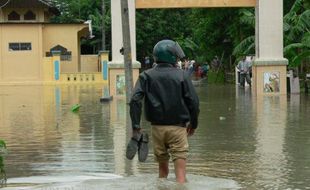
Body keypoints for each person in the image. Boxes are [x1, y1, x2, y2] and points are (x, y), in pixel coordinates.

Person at [129, 39, 200, 184]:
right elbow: (193, 102)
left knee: (162, 173)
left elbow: (135, 100)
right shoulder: (182, 75)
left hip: (157, 130)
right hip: (178, 129)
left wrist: (136, 126)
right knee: (180, 175)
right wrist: (193, 124)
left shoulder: (146, 76)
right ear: (172, 57)